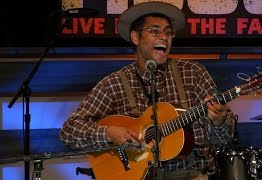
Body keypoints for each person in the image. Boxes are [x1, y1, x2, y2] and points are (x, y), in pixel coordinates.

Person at [60, 2, 235, 180]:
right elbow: (69, 131)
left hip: (190, 174)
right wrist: (109, 133)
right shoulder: (115, 84)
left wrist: (219, 122)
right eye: (155, 31)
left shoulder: (193, 73)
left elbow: (223, 140)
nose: (164, 38)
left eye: (168, 32)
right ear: (136, 38)